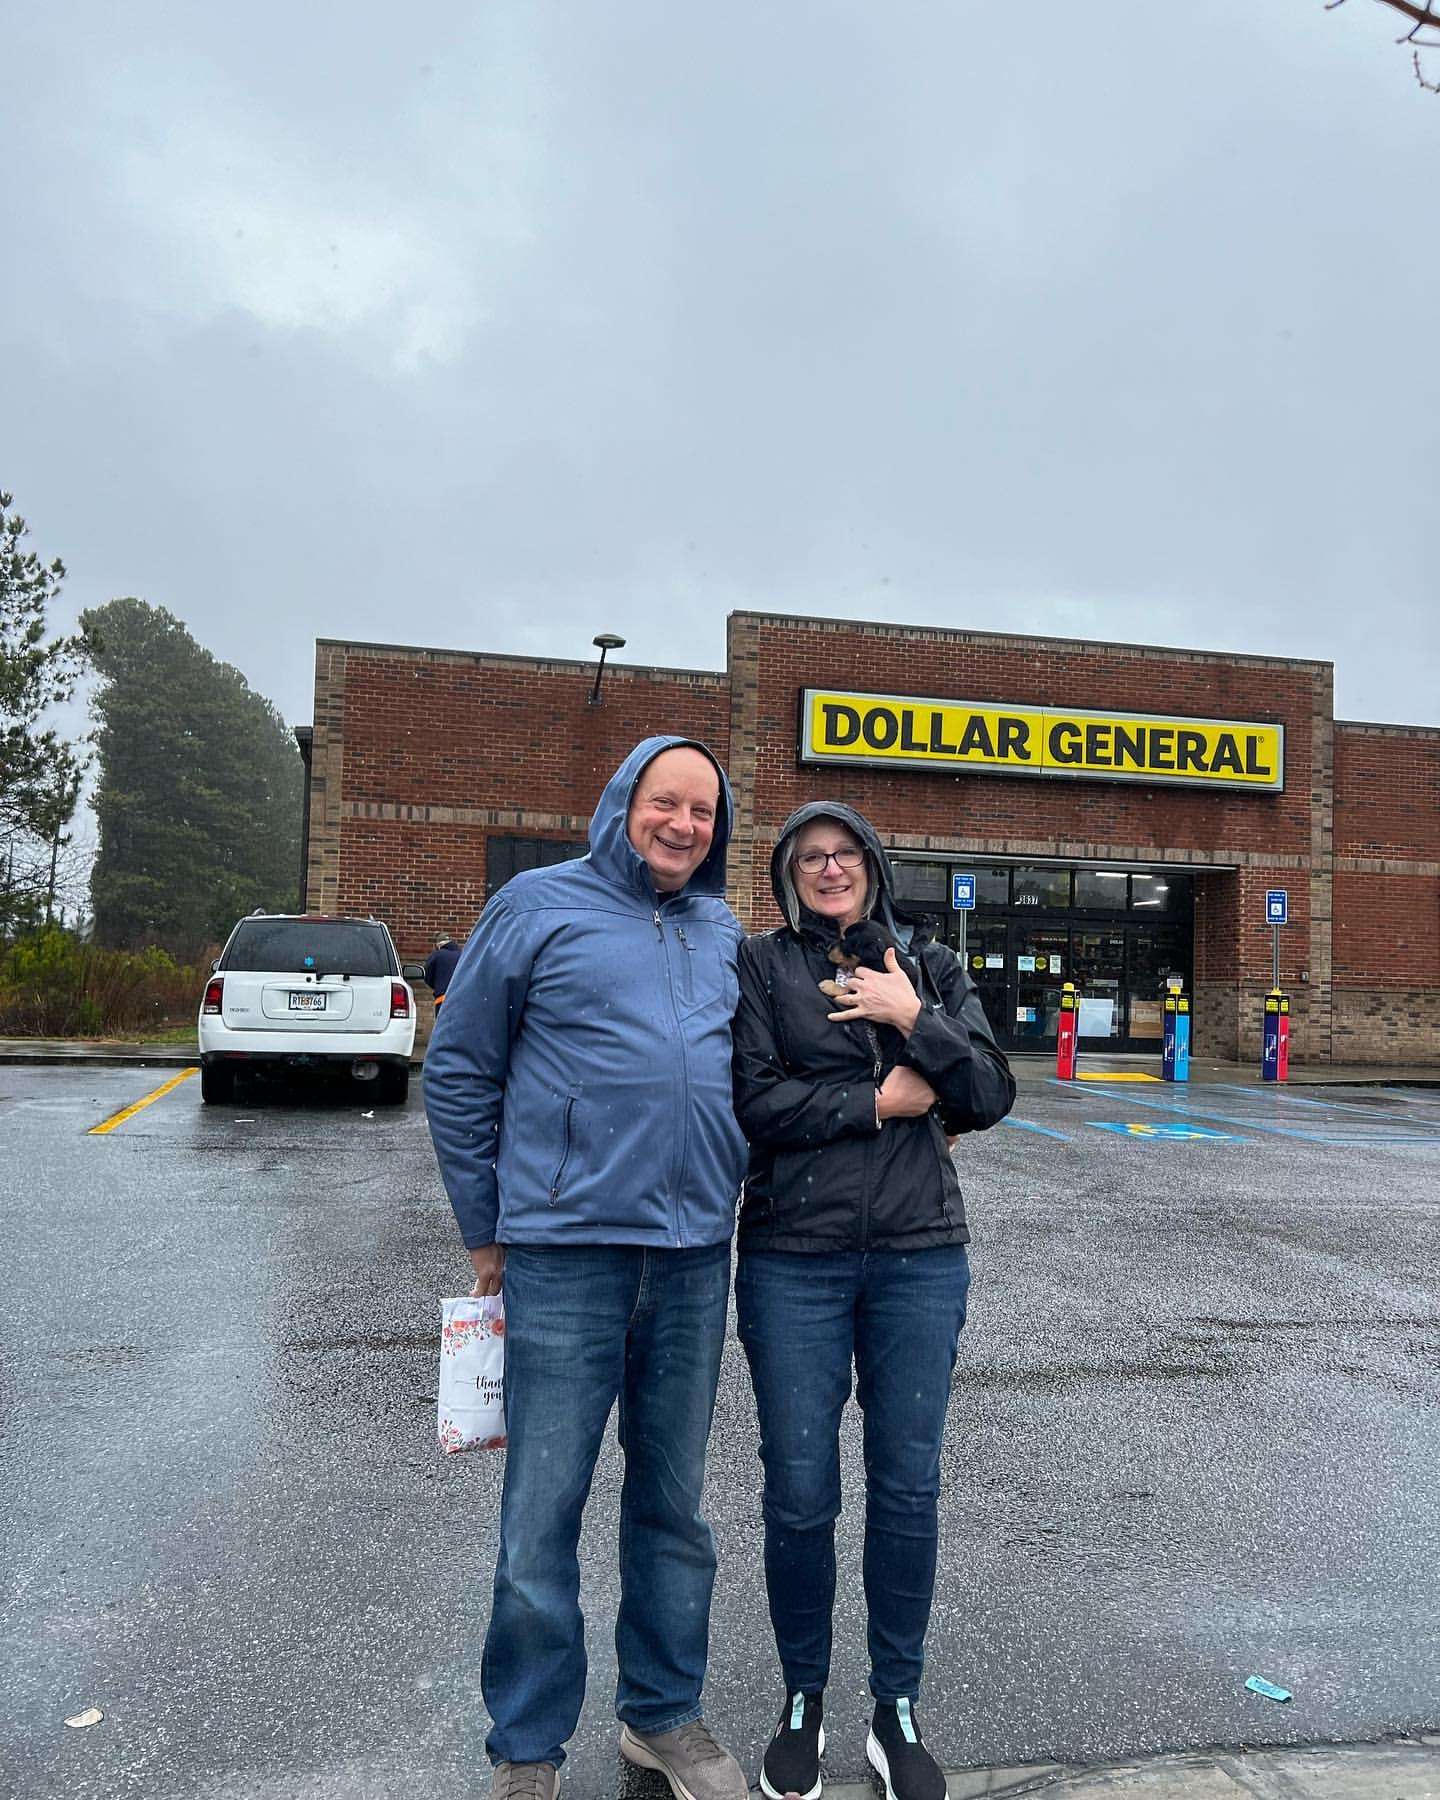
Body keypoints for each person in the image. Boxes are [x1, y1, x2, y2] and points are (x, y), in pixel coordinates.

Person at [424, 736, 750, 1800]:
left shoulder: (722, 930)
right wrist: (486, 1232)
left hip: (695, 1256)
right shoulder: (534, 906)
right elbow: (462, 1069)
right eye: (668, 802)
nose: (684, 825)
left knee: (673, 1507)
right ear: (624, 804)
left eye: (704, 812)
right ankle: (527, 1745)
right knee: (541, 1512)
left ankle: (660, 1717)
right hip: (564, 1255)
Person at [731, 803, 1015, 1800]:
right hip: (790, 1260)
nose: (829, 868)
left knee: (905, 1491)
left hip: (918, 1259)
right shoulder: (763, 970)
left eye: (845, 854)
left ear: (874, 868)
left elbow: (987, 1090)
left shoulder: (931, 967)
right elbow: (754, 1104)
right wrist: (881, 1103)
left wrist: (910, 1020)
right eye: (809, 858)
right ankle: (802, 1701)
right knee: (801, 1495)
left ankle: (895, 1710)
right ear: (787, 876)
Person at [422, 933, 462, 1008]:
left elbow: (427, 974)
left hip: (442, 998)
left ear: (438, 945)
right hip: (460, 999)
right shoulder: (463, 955)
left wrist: (437, 985)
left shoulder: (437, 955)